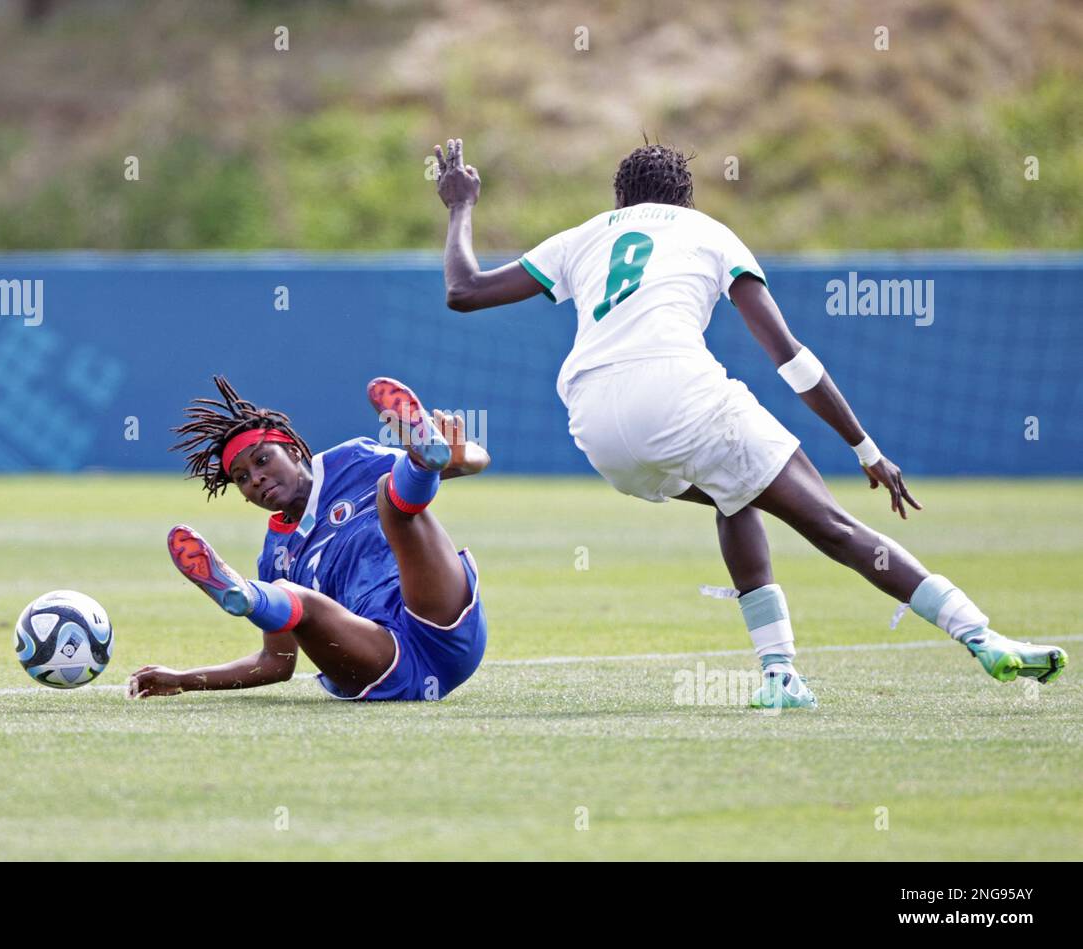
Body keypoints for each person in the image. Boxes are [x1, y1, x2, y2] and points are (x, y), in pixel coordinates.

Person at [429, 136, 1067, 708]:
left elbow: (465, 290)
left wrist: (460, 205)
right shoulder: (708, 232)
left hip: (596, 423)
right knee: (835, 526)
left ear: (619, 197)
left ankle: (780, 673)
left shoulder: (587, 234)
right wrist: (865, 447)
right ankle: (980, 635)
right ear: (686, 197)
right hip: (680, 394)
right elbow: (791, 359)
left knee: (736, 494)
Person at [129, 375, 490, 702]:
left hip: (440, 621)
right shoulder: (274, 557)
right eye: (241, 477)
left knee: (392, 498)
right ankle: (245, 597)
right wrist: (186, 679)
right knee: (294, 594)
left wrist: (464, 456)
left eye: (263, 459)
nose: (255, 478)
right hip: (379, 661)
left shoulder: (352, 461)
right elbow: (277, 662)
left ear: (294, 450)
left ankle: (426, 457)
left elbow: (472, 460)